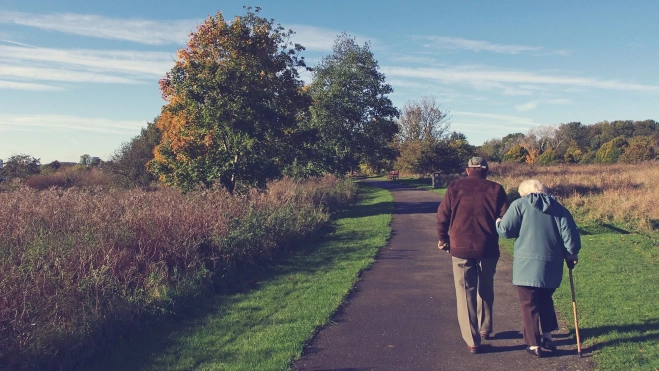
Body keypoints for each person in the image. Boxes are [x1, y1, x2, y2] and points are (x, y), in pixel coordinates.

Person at [496, 179, 581, 358]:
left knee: (529, 303)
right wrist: (571, 254)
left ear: (524, 193)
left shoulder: (519, 205)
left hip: (526, 265)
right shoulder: (559, 208)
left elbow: (505, 231)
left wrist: (498, 222)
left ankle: (534, 344)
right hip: (552, 264)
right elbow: (570, 236)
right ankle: (548, 336)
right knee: (545, 299)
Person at [436, 156, 510, 354]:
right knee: (486, 287)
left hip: (460, 247)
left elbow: (442, 216)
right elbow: (506, 218)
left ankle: (473, 339)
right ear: (486, 170)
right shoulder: (496, 189)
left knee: (465, 292)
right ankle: (485, 327)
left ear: (468, 170)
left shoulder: (454, 187)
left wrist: (443, 239)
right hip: (488, 247)